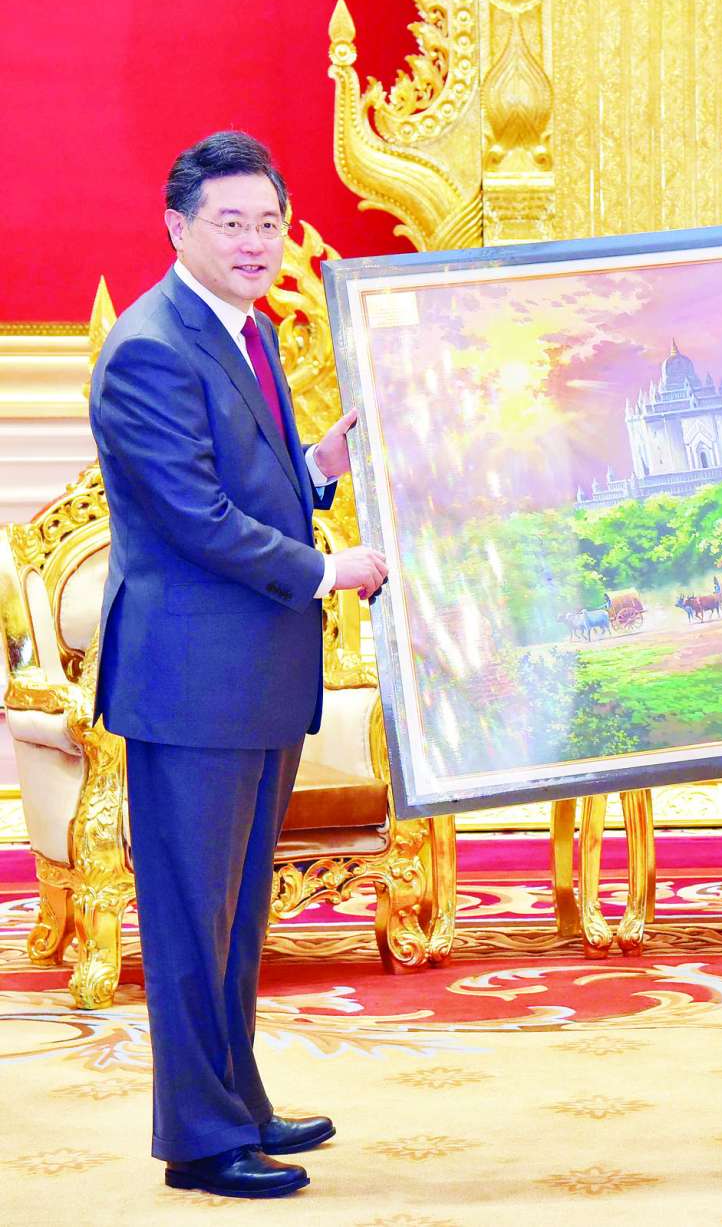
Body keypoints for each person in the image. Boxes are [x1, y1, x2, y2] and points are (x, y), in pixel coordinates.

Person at [89, 131, 388, 1198]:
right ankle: (200, 1142)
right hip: (190, 682)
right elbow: (198, 518)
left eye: (269, 222)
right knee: (189, 920)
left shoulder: (246, 329)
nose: (256, 242)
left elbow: (248, 480)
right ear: (178, 228)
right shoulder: (149, 347)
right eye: (231, 223)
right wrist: (330, 569)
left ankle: (239, 1102)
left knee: (236, 913)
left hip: (251, 676)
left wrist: (318, 467)